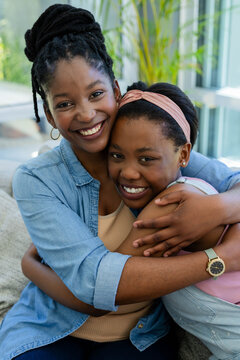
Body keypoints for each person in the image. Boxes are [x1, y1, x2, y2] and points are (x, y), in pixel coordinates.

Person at [1, 4, 240, 360]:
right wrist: (221, 258)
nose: (85, 114)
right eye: (65, 104)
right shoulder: (37, 180)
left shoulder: (151, 150)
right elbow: (94, 286)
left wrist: (215, 207)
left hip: (139, 334)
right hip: (49, 328)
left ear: (115, 89)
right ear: (49, 113)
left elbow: (234, 181)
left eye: (96, 94)